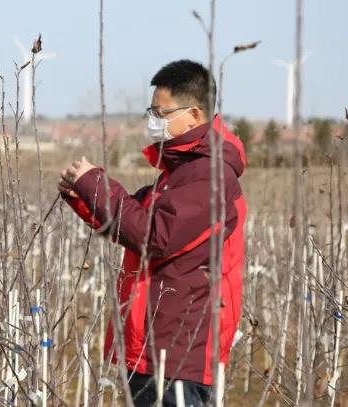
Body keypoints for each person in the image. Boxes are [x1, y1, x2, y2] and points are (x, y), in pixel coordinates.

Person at [57, 59, 247, 406]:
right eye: (151, 111)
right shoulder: (182, 172)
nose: (153, 121)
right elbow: (134, 224)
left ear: (193, 115)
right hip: (155, 344)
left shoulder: (210, 176)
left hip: (178, 351)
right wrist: (85, 198)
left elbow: (154, 236)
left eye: (161, 113)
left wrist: (95, 184)